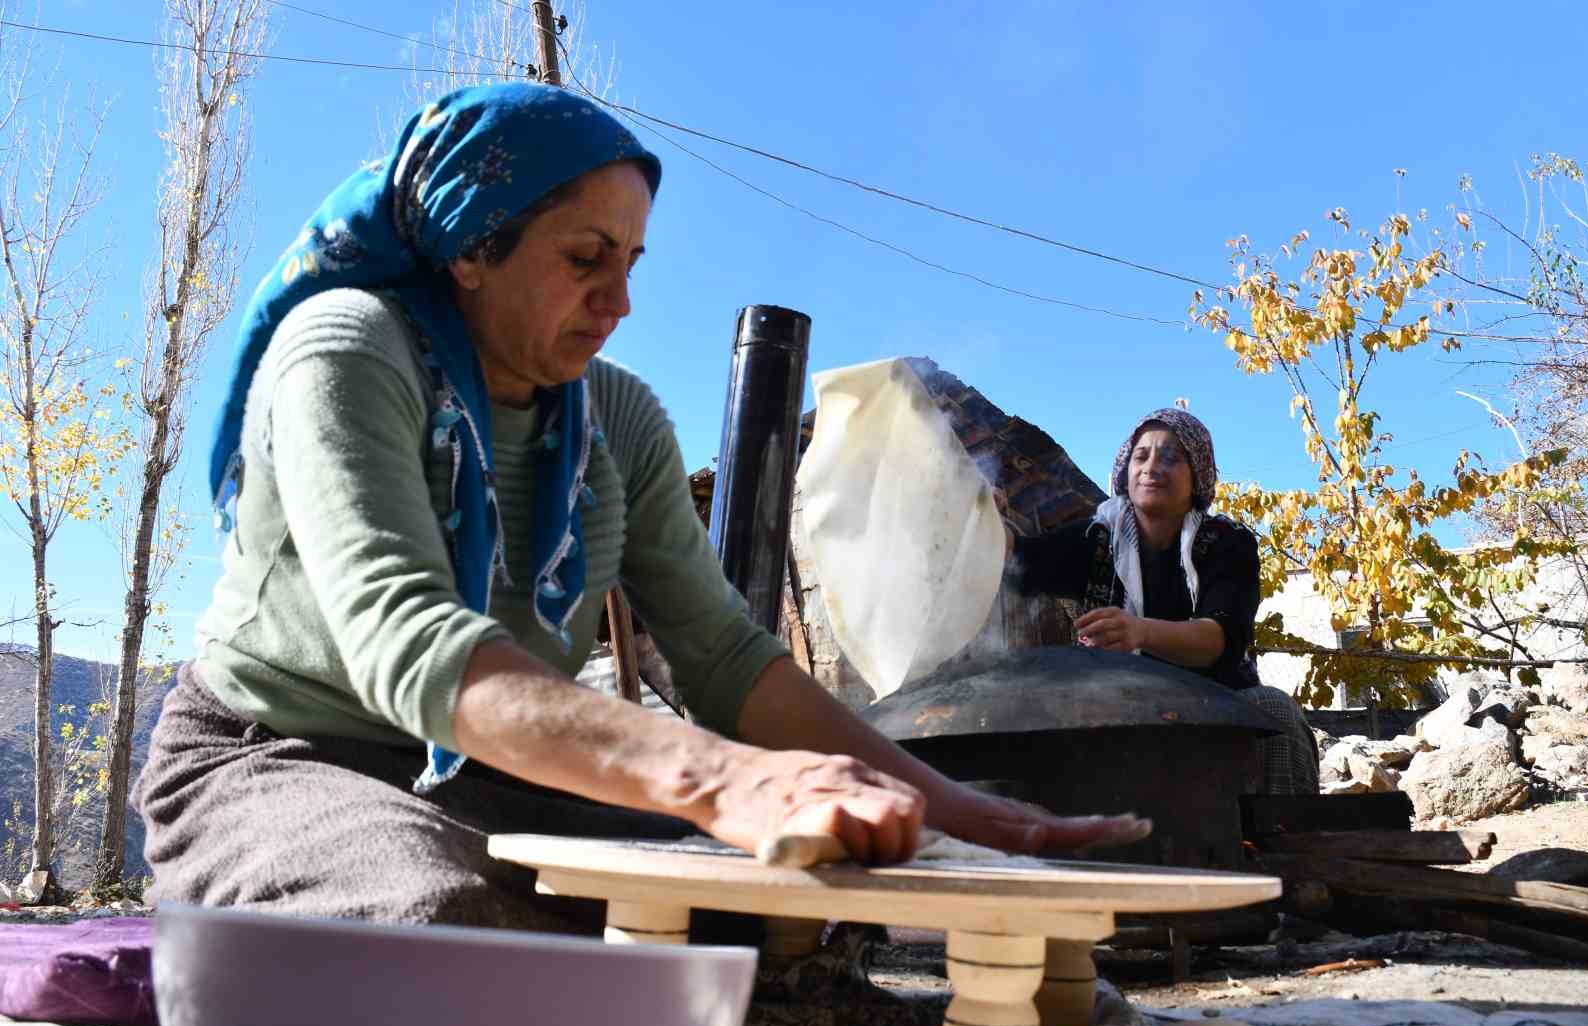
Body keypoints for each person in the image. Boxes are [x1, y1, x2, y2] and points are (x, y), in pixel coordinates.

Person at [133, 83, 1149, 930]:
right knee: (435, 924)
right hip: (279, 758)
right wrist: (724, 782)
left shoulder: (614, 417)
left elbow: (722, 657)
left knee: (790, 907)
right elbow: (410, 644)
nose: (619, 302)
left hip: (497, 773)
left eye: (630, 264)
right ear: (471, 250)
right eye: (585, 259)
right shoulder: (350, 350)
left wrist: (958, 810)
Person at [1002, 408, 1319, 795]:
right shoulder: (1095, 538)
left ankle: (1277, 843)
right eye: (1142, 456)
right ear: (1125, 472)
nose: (1152, 466)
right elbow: (1018, 563)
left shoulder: (1226, 542)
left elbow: (1219, 639)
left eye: (1171, 457)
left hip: (1217, 710)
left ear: (1197, 476)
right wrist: (987, 518)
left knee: (1274, 709)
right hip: (1120, 711)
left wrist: (1138, 632)